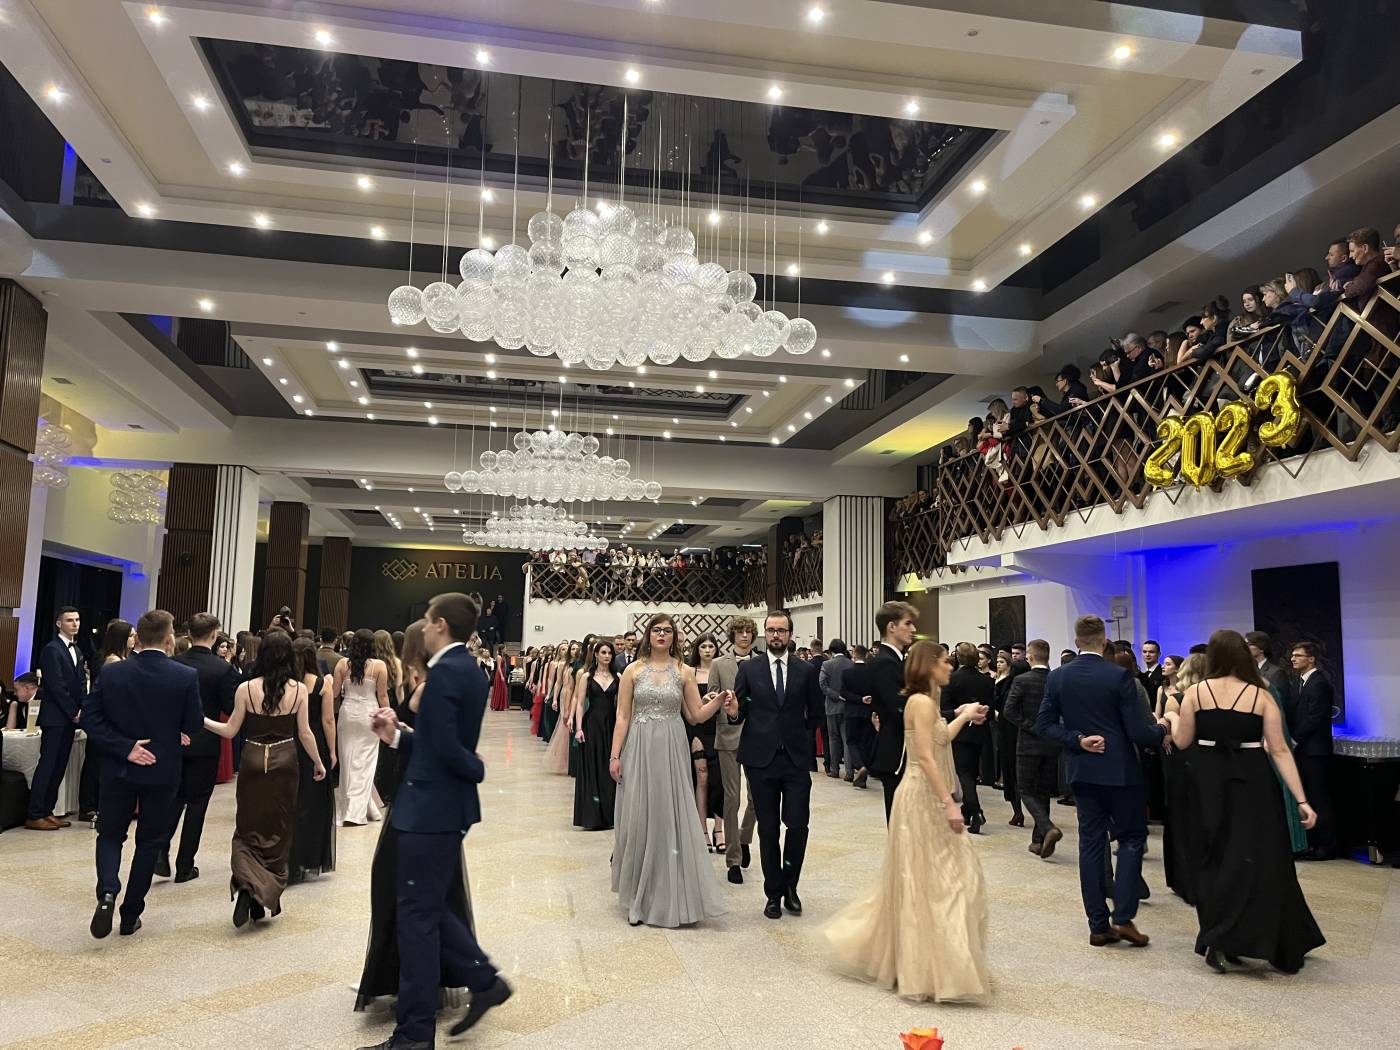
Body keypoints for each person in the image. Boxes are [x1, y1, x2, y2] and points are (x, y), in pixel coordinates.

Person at [358, 594, 511, 1047]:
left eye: (427, 620)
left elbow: (445, 748)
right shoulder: (470, 669)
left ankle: (414, 1034)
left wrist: (474, 767)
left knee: (417, 921)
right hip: (440, 806)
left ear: (441, 625)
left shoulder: (445, 672)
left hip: (429, 807)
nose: (423, 628)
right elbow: (437, 741)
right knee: (428, 908)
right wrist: (397, 735)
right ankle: (484, 981)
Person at [824, 641, 990, 1002]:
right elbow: (926, 758)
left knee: (941, 877)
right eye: (944, 662)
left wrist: (964, 715)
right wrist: (949, 803)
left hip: (928, 795)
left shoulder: (926, 702)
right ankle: (927, 964)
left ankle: (935, 961)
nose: (950, 667)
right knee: (930, 877)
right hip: (921, 798)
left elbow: (941, 738)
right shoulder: (920, 702)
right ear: (929, 666)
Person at [1164, 630, 1325, 973]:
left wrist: (1172, 717)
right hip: (1252, 780)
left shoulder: (1195, 692)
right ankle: (1259, 936)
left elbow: (1182, 741)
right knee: (1260, 858)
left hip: (1206, 781)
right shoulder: (1260, 694)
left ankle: (1218, 937)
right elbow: (1279, 750)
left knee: (1213, 858)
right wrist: (1302, 799)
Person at [1036, 615, 1167, 947]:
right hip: (1121, 771)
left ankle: (1097, 924)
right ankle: (1123, 917)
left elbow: (1044, 725)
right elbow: (1138, 731)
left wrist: (1078, 740)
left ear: (1077, 642)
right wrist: (1163, 729)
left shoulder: (1058, 677)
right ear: (1105, 640)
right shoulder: (1119, 676)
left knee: (1091, 843)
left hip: (1082, 771)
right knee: (1131, 838)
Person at [79, 610, 202, 938]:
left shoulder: (113, 673)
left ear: (139, 638)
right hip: (162, 769)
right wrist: (175, 731)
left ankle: (107, 891)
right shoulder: (184, 676)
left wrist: (125, 747)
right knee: (149, 840)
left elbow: (90, 718)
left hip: (118, 767)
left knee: (110, 834)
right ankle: (130, 913)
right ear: (168, 638)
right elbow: (193, 724)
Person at [610, 613, 728, 928]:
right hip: (639, 747)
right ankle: (638, 896)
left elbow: (696, 715)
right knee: (641, 816)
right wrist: (615, 755)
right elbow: (623, 716)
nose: (662, 635)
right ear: (648, 635)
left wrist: (719, 701)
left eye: (667, 630)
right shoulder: (633, 671)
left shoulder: (683, 671)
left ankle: (671, 892)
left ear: (674, 637)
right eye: (656, 630)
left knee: (669, 815)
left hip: (672, 749)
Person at [204, 630, 325, 926]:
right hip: (285, 761)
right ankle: (261, 893)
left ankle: (248, 886)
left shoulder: (245, 688)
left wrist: (200, 719)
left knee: (247, 827)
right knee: (278, 830)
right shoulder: (299, 690)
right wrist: (319, 762)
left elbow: (230, 731)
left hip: (253, 759)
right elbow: (305, 733)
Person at [723, 610, 824, 921]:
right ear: (764, 634)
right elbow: (738, 713)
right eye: (771, 630)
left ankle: (791, 886)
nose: (776, 635)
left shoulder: (805, 670)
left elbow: (816, 713)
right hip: (760, 760)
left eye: (781, 630)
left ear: (790, 634)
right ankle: (773, 893)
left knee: (798, 825)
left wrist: (798, 737)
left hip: (795, 760)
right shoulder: (750, 669)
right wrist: (733, 711)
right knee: (768, 830)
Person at [159, 612, 238, 883]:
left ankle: (160, 851)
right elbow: (229, 706)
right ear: (214, 635)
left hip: (175, 740)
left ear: (189, 634)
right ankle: (185, 865)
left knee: (174, 798)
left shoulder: (174, 663)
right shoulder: (222, 669)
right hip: (206, 741)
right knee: (197, 804)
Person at [27, 607, 88, 831]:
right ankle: (35, 813)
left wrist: (83, 708)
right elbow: (56, 685)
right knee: (48, 765)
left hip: (70, 717)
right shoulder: (52, 649)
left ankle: (47, 810)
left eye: (77, 619)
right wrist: (74, 711)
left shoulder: (77, 650)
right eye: (70, 620)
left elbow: (80, 683)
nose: (75, 624)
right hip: (55, 717)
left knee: (60, 765)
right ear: (59, 624)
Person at [711, 616, 759, 884]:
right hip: (728, 734)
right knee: (732, 799)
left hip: (756, 737)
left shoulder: (761, 662)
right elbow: (713, 696)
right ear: (732, 635)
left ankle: (744, 837)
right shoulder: (719, 664)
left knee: (757, 797)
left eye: (748, 632)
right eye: (740, 632)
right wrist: (719, 700)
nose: (744, 636)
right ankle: (733, 860)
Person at [1004, 640, 1060, 857]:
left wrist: (1031, 726)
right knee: (1044, 791)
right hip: (1051, 742)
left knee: (1026, 790)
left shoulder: (1021, 680)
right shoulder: (1057, 680)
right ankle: (1038, 840)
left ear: (1030, 656)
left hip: (1028, 743)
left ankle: (1047, 828)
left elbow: (1009, 711)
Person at [288, 636, 337, 883]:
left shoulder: (286, 684)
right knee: (313, 802)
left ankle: (287, 856)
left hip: (289, 740)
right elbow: (328, 720)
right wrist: (332, 751)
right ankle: (308, 857)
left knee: (291, 800)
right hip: (314, 740)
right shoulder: (321, 684)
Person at [1285, 641, 1337, 860]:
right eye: (1293, 655)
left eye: (1298, 655)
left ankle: (1326, 845)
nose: (1293, 659)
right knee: (1308, 796)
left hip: (1315, 750)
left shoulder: (1319, 683)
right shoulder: (1300, 682)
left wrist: (1294, 739)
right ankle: (1312, 842)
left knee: (1318, 797)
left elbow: (1315, 717)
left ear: (1311, 659)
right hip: (1304, 750)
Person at [868, 602, 919, 822]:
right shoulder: (885, 663)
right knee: (901, 823)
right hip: (897, 750)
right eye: (908, 623)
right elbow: (902, 709)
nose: (913, 629)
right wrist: (952, 714)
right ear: (891, 627)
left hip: (900, 746)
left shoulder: (894, 660)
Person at [334, 629, 390, 826]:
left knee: (347, 761)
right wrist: (389, 718)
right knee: (365, 764)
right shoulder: (379, 666)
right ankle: (357, 811)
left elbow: (334, 693)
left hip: (348, 713)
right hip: (369, 714)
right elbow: (382, 696)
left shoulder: (342, 664)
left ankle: (350, 808)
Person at [941, 643, 993, 834]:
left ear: (958, 658)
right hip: (980, 730)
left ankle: (976, 811)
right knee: (971, 771)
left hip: (959, 730)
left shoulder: (951, 679)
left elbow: (944, 710)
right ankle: (967, 810)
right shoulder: (986, 680)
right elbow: (990, 707)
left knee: (964, 773)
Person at [573, 639, 619, 831]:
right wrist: (578, 728)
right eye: (603, 652)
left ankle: (609, 814)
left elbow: (621, 706)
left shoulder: (618, 677)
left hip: (611, 725)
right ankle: (591, 816)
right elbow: (580, 703)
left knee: (608, 767)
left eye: (610, 653)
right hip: (591, 724)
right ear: (597, 655)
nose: (607, 656)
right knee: (592, 767)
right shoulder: (586, 677)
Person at [686, 634, 723, 845]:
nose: (707, 650)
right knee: (701, 778)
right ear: (697, 650)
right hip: (697, 728)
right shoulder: (690, 672)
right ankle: (702, 831)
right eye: (703, 647)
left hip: (719, 729)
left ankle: (719, 829)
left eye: (711, 646)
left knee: (720, 781)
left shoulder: (722, 670)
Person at [819, 640, 854, 780]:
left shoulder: (826, 664)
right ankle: (849, 772)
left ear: (832, 650)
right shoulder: (851, 664)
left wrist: (835, 695)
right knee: (847, 740)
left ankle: (834, 769)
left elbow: (822, 685)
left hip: (832, 706)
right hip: (848, 706)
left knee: (833, 738)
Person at [840, 645, 873, 789]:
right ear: (866, 655)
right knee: (865, 742)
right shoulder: (872, 672)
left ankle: (860, 766)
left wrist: (859, 699)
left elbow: (843, 693)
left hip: (852, 712)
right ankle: (863, 773)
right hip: (868, 712)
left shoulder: (847, 673)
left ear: (854, 655)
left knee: (851, 741)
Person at [1245, 631, 1291, 699]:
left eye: (1248, 644)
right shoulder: (1245, 670)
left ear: (1262, 648)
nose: (1245, 647)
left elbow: (1279, 699)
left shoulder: (1276, 673)